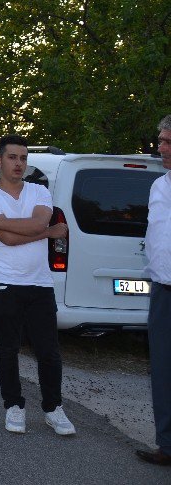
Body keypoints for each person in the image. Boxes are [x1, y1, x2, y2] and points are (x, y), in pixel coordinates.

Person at [0, 134, 73, 436]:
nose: (18, 163)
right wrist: (49, 232)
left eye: (23, 158)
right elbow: (8, 239)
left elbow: (34, 225)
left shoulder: (39, 191)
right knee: (7, 349)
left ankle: (53, 409)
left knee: (49, 351)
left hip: (40, 285)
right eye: (12, 157)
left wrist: (0, 223)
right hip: (4, 283)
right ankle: (14, 407)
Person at [138, 115, 171, 466]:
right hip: (162, 290)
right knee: (162, 370)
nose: (160, 146)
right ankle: (167, 445)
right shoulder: (159, 186)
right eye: (161, 140)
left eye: (167, 141)